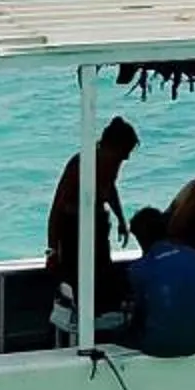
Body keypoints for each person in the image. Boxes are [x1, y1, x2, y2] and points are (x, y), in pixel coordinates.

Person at [46, 116, 140, 311]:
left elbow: (109, 187)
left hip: (98, 225)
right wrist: (53, 249)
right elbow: (57, 207)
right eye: (125, 152)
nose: (126, 158)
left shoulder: (112, 163)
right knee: (78, 282)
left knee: (103, 278)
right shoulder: (81, 164)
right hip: (73, 229)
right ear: (113, 146)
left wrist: (121, 218)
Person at [124, 206, 195, 358]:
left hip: (159, 347)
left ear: (141, 239)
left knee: (116, 334)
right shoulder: (192, 255)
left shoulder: (138, 268)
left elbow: (140, 314)